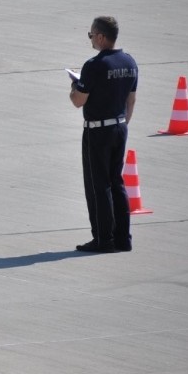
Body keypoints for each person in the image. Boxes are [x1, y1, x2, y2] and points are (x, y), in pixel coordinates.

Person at [69, 16, 138, 253]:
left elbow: (79, 101)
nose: (90, 40)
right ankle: (123, 238)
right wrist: (121, 124)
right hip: (120, 127)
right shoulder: (129, 62)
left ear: (100, 36)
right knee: (116, 182)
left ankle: (103, 239)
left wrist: (74, 86)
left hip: (98, 131)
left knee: (98, 185)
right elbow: (131, 99)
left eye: (90, 35)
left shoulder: (94, 65)